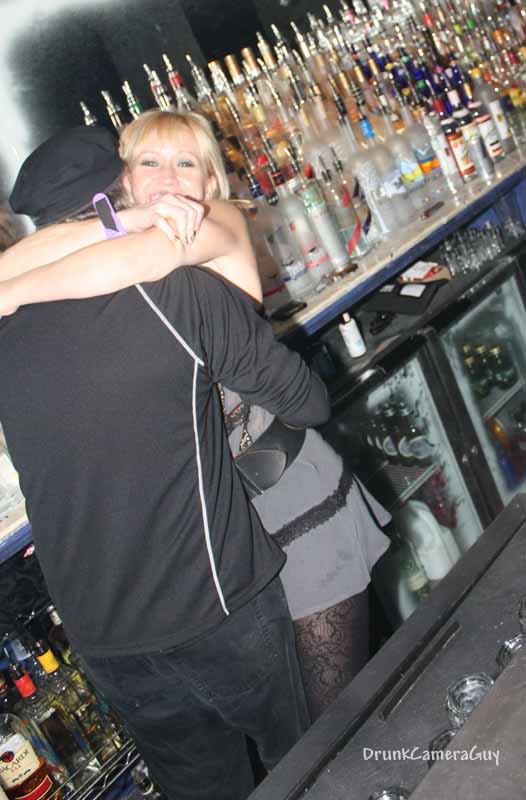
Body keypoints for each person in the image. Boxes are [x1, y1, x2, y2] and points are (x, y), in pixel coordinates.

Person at [0, 110, 391, 719]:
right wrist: (114, 223)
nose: (168, 179)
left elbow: (138, 257)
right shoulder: (117, 237)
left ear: (211, 181)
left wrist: (11, 293)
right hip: (218, 531)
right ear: (124, 180)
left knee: (334, 724)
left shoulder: (216, 220)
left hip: (288, 502)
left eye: (187, 163)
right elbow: (46, 250)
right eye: (149, 163)